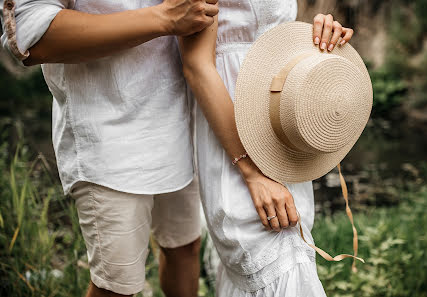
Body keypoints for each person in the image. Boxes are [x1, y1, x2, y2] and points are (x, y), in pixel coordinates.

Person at [0, 1, 220, 296]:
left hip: (180, 113)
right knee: (117, 286)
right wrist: (164, 18)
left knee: (185, 247)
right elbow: (32, 34)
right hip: (109, 130)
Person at [179, 1, 357, 295]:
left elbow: (273, 31)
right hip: (233, 135)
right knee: (274, 255)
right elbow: (197, 65)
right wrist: (252, 172)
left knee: (289, 246)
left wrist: (318, 36)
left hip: (281, 129)